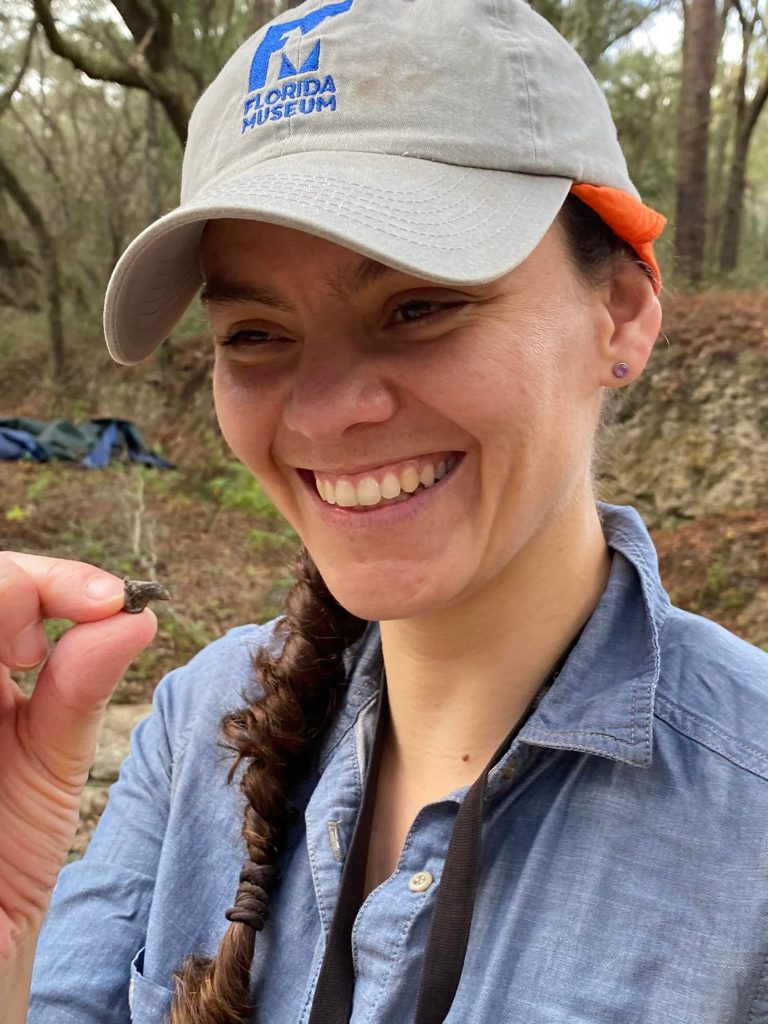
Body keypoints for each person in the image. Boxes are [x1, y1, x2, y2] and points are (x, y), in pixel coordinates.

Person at [2, 0, 766, 1021]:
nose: (323, 412)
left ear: (619, 315)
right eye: (257, 333)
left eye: (418, 306)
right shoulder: (196, 727)